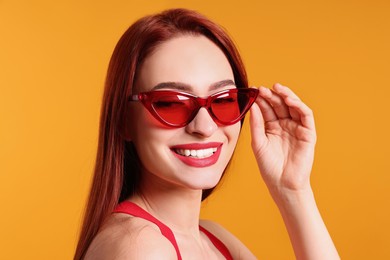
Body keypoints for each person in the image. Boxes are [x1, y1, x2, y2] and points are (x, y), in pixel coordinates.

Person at [74, 8, 339, 260]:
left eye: (223, 100)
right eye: (172, 103)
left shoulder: (214, 239)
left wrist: (292, 189)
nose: (204, 126)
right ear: (124, 121)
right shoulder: (139, 247)